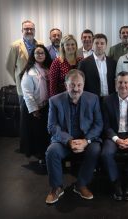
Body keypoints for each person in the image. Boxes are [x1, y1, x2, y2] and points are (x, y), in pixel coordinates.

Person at [45, 69, 103, 204]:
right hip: (64, 141)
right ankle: (56, 187)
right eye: (72, 85)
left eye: (79, 85)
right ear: (66, 85)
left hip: (86, 139)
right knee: (51, 151)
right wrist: (69, 141)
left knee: (95, 149)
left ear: (83, 85)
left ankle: (81, 184)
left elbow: (98, 124)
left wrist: (86, 140)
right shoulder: (54, 101)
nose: (76, 89)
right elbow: (52, 127)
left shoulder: (93, 99)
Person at [101, 72, 128, 201]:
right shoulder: (107, 100)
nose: (123, 85)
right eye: (120, 82)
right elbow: (106, 125)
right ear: (115, 84)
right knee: (106, 153)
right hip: (114, 135)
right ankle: (116, 183)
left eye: (126, 82)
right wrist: (116, 139)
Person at [6, 20, 43, 153]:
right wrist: (18, 80)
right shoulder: (15, 46)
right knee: (25, 118)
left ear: (34, 30)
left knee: (37, 116)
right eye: (26, 29)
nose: (29, 31)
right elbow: (9, 66)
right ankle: (25, 146)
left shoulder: (40, 44)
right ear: (22, 30)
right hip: (23, 90)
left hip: (38, 87)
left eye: (31, 29)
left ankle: (35, 144)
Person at [20, 45, 52, 162]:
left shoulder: (47, 68)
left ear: (45, 55)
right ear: (33, 56)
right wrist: (34, 109)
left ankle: (45, 153)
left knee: (44, 133)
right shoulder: (29, 71)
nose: (40, 55)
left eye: (42, 53)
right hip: (34, 108)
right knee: (36, 134)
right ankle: (39, 156)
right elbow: (27, 93)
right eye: (37, 53)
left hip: (45, 106)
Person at [78, 33, 116, 98]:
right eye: (96, 43)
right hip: (91, 99)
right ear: (92, 45)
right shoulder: (84, 63)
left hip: (110, 99)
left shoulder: (113, 63)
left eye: (102, 43)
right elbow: (80, 82)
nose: (99, 46)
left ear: (106, 45)